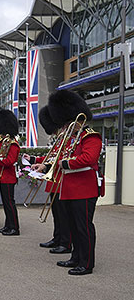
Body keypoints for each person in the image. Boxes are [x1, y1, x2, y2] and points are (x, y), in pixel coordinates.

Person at [47, 90, 101, 276]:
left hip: (84, 189)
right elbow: (61, 157)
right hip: (69, 188)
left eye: (69, 122)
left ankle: (86, 263)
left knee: (83, 227)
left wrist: (65, 163)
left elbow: (88, 158)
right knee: (73, 226)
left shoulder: (90, 136)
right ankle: (76, 257)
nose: (67, 126)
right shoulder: (71, 139)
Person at [26, 106, 72, 254]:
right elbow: (50, 157)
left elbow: (60, 159)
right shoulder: (60, 139)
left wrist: (44, 165)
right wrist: (34, 159)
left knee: (63, 215)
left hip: (62, 180)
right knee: (56, 214)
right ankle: (57, 238)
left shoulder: (68, 139)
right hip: (54, 180)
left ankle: (66, 242)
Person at [0, 109, 21, 236]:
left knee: (9, 203)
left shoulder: (13, 144)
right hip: (3, 177)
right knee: (6, 203)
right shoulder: (5, 143)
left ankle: (14, 227)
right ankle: (8, 225)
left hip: (9, 178)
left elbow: (9, 161)